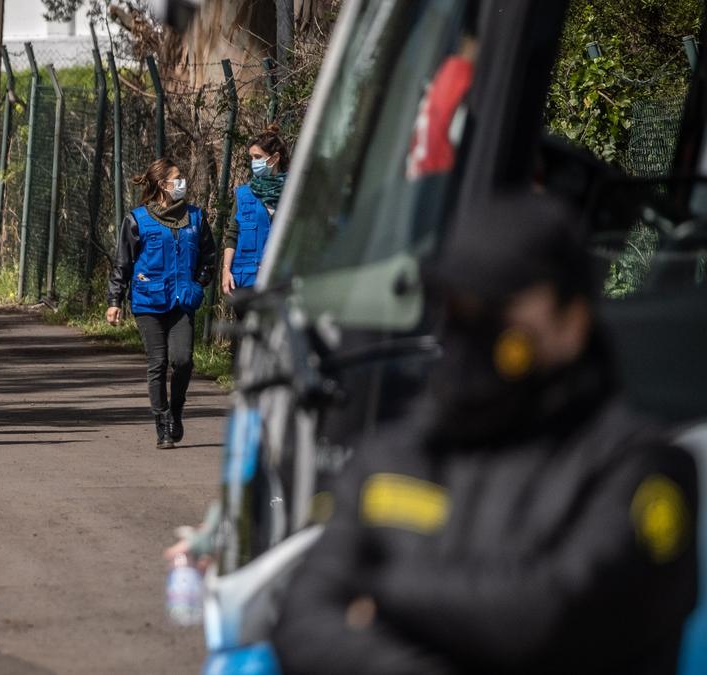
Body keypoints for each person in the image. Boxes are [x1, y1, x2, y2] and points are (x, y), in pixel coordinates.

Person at [270, 192, 698, 673]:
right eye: (456, 303)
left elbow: (547, 616)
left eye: (498, 306)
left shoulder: (641, 471)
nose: (471, 325)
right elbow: (303, 622)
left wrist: (377, 594)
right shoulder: (395, 452)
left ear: (572, 322)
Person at [106, 158, 216, 449]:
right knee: (158, 363)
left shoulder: (196, 218)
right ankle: (162, 423)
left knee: (182, 360)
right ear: (162, 184)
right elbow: (123, 264)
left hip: (182, 300)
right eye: (176, 178)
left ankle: (176, 410)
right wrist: (114, 300)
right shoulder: (137, 219)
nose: (182, 183)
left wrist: (199, 282)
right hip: (148, 301)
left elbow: (209, 258)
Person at [221, 125, 289, 296]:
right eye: (251, 157)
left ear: (274, 159)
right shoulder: (243, 194)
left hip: (280, 282)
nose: (253, 162)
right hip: (245, 281)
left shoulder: (293, 193)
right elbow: (232, 235)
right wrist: (226, 270)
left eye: (258, 157)